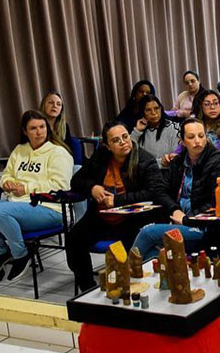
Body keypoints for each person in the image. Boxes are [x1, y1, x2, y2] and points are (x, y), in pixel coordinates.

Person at [0, 110, 74, 280]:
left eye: (42, 127)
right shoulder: (20, 150)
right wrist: (6, 182)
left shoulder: (58, 152)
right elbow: (7, 173)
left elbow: (60, 185)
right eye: (33, 128)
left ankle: (21, 254)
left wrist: (27, 188)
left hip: (51, 208)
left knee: (1, 212)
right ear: (25, 131)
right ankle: (1, 252)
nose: (39, 132)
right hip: (17, 204)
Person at [66, 120, 163, 292]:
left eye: (125, 137)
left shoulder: (145, 160)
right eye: (116, 140)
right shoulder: (101, 156)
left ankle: (127, 287)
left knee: (128, 254)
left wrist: (117, 201)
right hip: (101, 217)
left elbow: (153, 193)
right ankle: (87, 288)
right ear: (108, 146)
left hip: (132, 220)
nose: (123, 142)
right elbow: (76, 181)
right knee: (74, 238)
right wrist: (92, 188)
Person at [132, 116, 220, 260]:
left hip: (202, 227)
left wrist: (186, 219)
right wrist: (174, 210)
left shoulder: (218, 161)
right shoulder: (178, 161)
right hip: (177, 220)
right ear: (183, 141)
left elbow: (216, 202)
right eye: (191, 137)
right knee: (152, 255)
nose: (197, 141)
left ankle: (126, 276)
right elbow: (159, 191)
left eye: (201, 136)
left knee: (148, 233)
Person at [171, 89, 220, 172]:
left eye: (216, 103)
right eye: (207, 104)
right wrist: (173, 156)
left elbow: (218, 158)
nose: (212, 107)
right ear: (200, 107)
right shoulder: (195, 127)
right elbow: (181, 149)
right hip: (197, 174)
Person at [131, 95, 179, 166]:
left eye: (156, 108)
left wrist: (162, 162)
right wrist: (137, 131)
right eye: (148, 110)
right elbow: (130, 154)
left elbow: (175, 158)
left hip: (167, 173)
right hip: (145, 173)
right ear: (142, 112)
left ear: (161, 109)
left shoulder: (173, 128)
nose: (153, 113)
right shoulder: (140, 130)